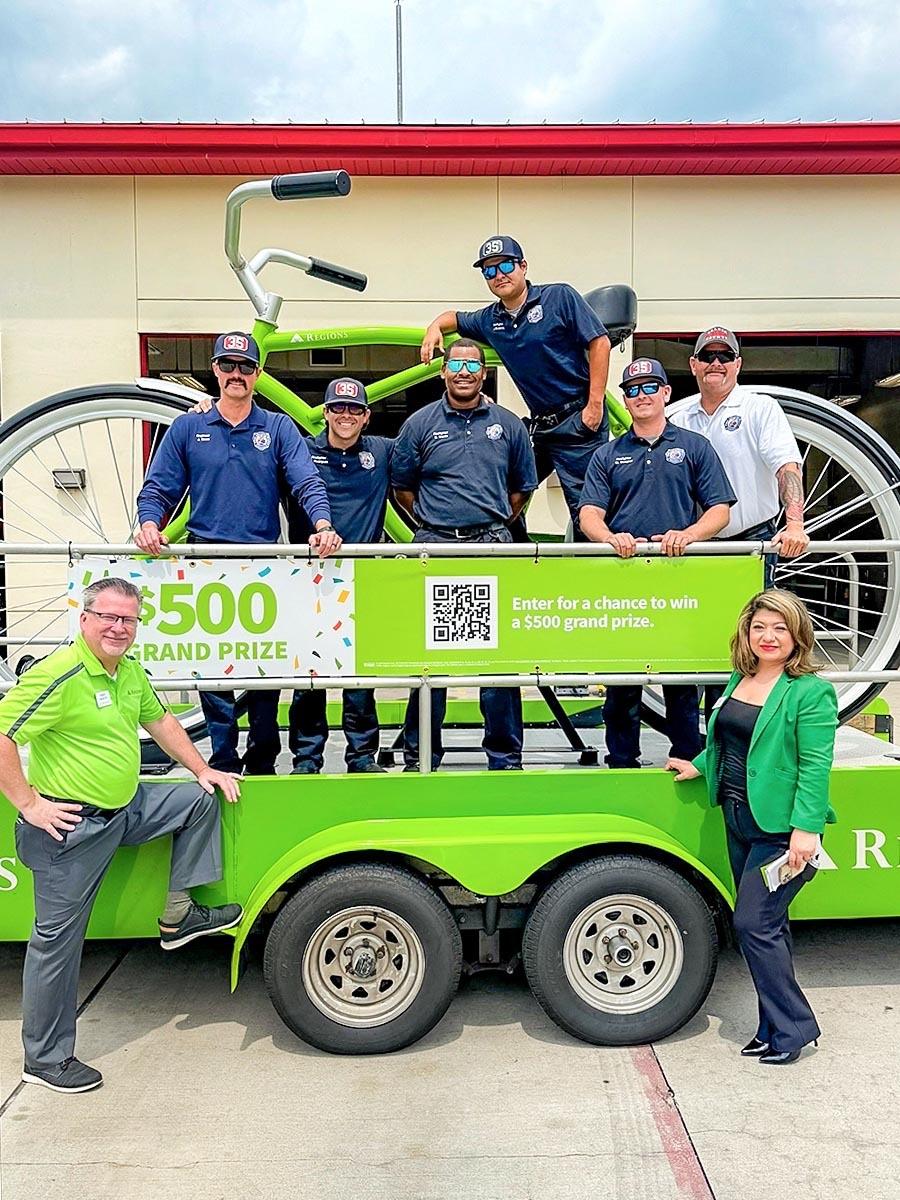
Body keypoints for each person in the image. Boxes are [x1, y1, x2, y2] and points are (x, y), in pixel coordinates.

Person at [3, 577, 242, 1094]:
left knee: (200, 799)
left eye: (128, 620)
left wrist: (204, 769)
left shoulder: (128, 672)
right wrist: (30, 804)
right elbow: (2, 735)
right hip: (72, 828)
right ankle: (44, 1060)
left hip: (126, 808)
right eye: (108, 617)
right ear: (84, 619)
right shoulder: (59, 674)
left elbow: (161, 720)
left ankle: (179, 915)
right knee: (56, 945)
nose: (118, 627)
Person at [135, 331, 342, 776]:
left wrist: (323, 523)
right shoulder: (189, 427)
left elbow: (306, 481)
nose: (236, 375)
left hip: (263, 562)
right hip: (205, 560)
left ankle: (263, 758)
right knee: (212, 669)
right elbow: (159, 486)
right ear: (214, 370)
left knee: (265, 665)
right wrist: (149, 522)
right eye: (228, 366)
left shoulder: (278, 427)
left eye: (246, 367)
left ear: (258, 374)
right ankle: (222, 759)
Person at [666, 589, 838, 1065]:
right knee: (770, 929)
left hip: (780, 831)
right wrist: (700, 765)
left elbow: (815, 764)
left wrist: (807, 830)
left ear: (796, 634)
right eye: (760, 627)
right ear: (747, 632)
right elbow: (730, 739)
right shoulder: (741, 678)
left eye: (780, 628)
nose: (769, 636)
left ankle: (795, 1027)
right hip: (738, 817)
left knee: (752, 924)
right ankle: (772, 1026)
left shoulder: (809, 691)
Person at [579, 357, 736, 769]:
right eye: (632, 390)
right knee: (622, 684)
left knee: (682, 684)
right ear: (625, 400)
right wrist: (610, 537)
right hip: (624, 581)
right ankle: (622, 763)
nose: (641, 396)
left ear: (666, 393)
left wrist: (690, 535)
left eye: (650, 387)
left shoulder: (694, 446)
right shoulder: (607, 454)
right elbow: (588, 515)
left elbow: (720, 509)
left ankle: (686, 760)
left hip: (677, 580)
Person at [391, 339, 538, 770]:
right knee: (429, 661)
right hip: (434, 549)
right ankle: (421, 755)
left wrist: (485, 524)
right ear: (443, 371)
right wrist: (439, 525)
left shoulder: (508, 425)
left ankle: (505, 757)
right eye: (455, 363)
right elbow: (402, 487)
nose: (463, 372)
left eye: (472, 365)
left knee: (498, 661)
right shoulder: (419, 425)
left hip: (492, 546)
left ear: (483, 372)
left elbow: (521, 489)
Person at [420, 236, 611, 534]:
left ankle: (594, 573)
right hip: (541, 427)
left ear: (523, 266)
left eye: (505, 265)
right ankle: (514, 555)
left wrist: (594, 404)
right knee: (505, 489)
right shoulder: (490, 319)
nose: (498, 275)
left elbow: (600, 341)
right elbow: (454, 318)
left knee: (587, 511)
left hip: (578, 422)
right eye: (489, 271)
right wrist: (434, 327)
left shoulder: (559, 297)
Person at [669, 326, 810, 720]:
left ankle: (746, 721)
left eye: (725, 356)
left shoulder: (759, 409)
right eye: (708, 356)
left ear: (738, 364)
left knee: (751, 637)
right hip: (693, 546)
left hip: (750, 541)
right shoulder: (677, 415)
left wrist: (795, 524)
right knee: (692, 634)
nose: (717, 363)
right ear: (694, 365)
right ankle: (697, 730)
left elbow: (786, 465)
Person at [286, 377, 391, 774]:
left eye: (354, 409)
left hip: (361, 580)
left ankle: (362, 758)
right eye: (337, 408)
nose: (345, 415)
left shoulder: (382, 452)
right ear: (325, 413)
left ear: (366, 417)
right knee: (308, 680)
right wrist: (204, 409)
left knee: (360, 679)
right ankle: (307, 759)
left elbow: (427, 452)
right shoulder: (299, 451)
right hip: (307, 579)